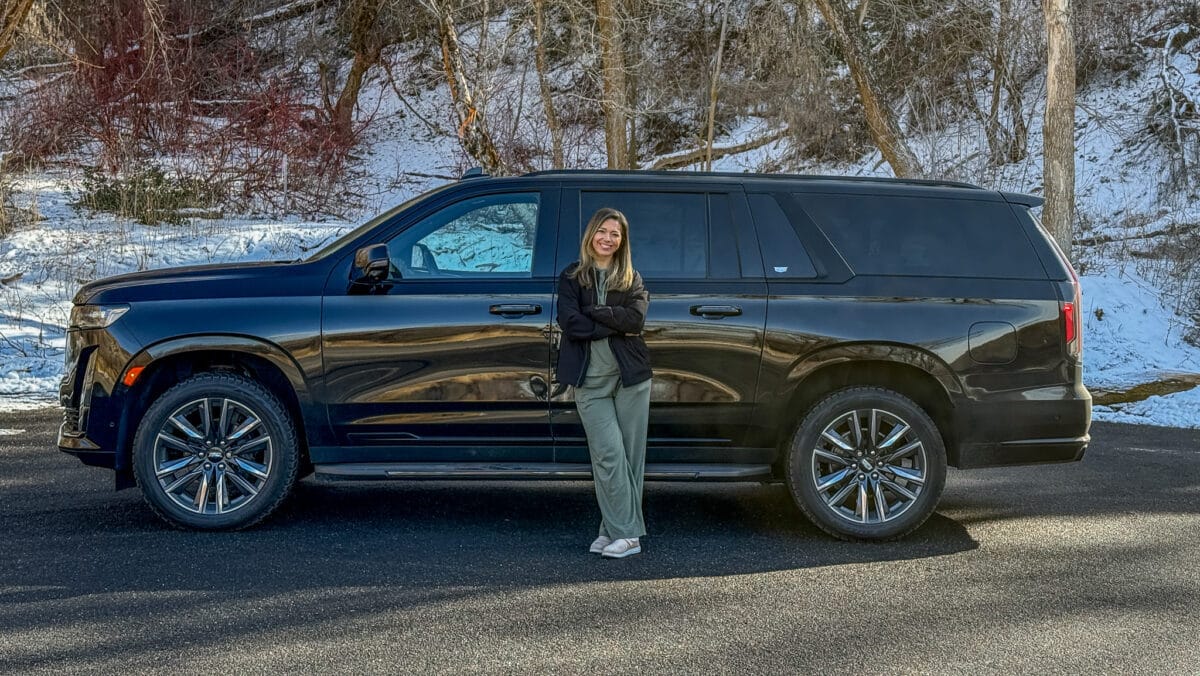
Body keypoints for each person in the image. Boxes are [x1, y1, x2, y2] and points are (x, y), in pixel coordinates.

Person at [556, 207, 652, 559]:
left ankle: (614, 531)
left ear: (622, 241)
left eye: (616, 234)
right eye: (603, 231)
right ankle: (626, 533)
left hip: (631, 378)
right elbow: (571, 323)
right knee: (608, 455)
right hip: (590, 382)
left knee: (629, 458)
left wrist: (594, 312)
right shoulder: (571, 277)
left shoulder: (631, 279)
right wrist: (613, 320)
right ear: (591, 234)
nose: (608, 238)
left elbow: (637, 321)